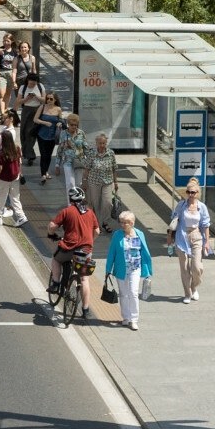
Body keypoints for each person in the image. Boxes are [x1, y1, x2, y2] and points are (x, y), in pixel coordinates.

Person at [48, 186, 100, 319]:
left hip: (69, 247)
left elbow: (53, 226)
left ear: (70, 198)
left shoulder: (67, 211)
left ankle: (55, 283)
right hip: (86, 250)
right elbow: (97, 231)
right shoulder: (90, 212)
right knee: (84, 279)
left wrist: (51, 234)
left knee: (56, 259)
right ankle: (86, 310)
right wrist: (89, 242)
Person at [106, 210, 153, 330]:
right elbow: (112, 253)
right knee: (123, 294)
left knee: (133, 292)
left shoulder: (139, 234)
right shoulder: (117, 235)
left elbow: (144, 253)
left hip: (135, 269)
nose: (122, 225)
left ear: (132, 223)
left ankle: (134, 319)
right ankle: (125, 318)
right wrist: (108, 270)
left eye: (125, 222)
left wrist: (147, 271)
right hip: (121, 269)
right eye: (121, 222)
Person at [170, 178, 210, 304]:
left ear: (198, 193)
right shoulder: (181, 205)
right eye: (188, 192)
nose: (190, 195)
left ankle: (194, 287)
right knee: (184, 268)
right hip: (182, 237)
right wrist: (169, 236)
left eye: (193, 192)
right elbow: (173, 220)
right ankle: (187, 293)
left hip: (196, 236)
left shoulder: (202, 207)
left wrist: (207, 242)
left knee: (196, 267)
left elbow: (205, 225)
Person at [82, 133, 118, 230]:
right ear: (96, 143)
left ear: (106, 143)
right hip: (94, 182)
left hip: (107, 181)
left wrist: (116, 182)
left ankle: (105, 222)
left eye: (104, 143)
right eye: (100, 143)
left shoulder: (111, 153)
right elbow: (87, 169)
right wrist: (84, 182)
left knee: (107, 203)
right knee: (95, 203)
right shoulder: (91, 153)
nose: (102, 145)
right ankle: (97, 224)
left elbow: (114, 168)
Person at [0, 130, 28, 227]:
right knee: (15, 198)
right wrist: (20, 173)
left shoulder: (2, 153)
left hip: (4, 178)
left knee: (1, 197)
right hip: (15, 177)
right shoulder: (17, 148)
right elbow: (19, 162)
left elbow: (0, 168)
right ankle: (21, 217)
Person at [14, 72, 46, 170]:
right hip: (26, 110)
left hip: (38, 110)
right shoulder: (22, 88)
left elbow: (44, 100)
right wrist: (27, 98)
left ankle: (30, 155)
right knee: (24, 132)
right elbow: (18, 101)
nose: (32, 85)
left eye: (34, 83)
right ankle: (27, 153)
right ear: (27, 80)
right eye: (31, 83)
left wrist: (36, 96)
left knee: (31, 132)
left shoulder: (40, 86)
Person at [34, 93, 64, 185]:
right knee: (43, 154)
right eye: (47, 98)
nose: (49, 100)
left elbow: (61, 120)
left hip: (52, 136)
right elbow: (35, 119)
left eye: (51, 99)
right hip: (41, 135)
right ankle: (43, 174)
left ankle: (46, 171)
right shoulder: (42, 107)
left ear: (55, 100)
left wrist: (60, 123)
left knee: (49, 155)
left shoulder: (58, 109)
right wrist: (44, 122)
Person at [56, 113, 87, 191]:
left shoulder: (81, 133)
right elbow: (60, 149)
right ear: (68, 124)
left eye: (76, 125)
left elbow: (86, 148)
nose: (74, 126)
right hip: (67, 161)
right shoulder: (63, 133)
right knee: (70, 183)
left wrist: (90, 161)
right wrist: (57, 164)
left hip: (79, 161)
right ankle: (70, 203)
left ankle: (78, 203)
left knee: (78, 184)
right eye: (72, 124)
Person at [0, 33, 18, 116]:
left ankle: (5, 109)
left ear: (11, 41)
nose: (5, 42)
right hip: (1, 72)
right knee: (2, 93)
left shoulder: (15, 52)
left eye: (7, 41)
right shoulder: (0, 49)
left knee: (8, 94)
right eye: (4, 41)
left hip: (11, 73)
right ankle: (2, 113)